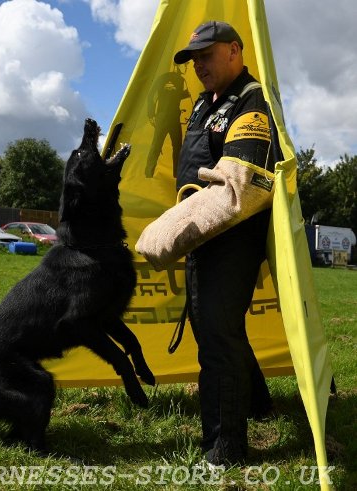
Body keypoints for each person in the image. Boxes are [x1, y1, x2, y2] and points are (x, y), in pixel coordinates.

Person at [135, 20, 277, 466]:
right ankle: (258, 403)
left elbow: (239, 187)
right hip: (202, 236)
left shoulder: (252, 102)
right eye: (193, 58)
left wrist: (174, 227)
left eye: (207, 55)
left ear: (235, 50)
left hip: (231, 237)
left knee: (217, 335)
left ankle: (225, 447)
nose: (198, 65)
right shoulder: (202, 103)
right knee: (217, 327)